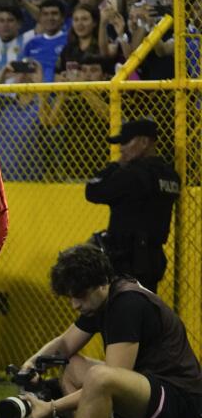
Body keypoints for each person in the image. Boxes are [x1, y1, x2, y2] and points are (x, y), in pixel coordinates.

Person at [19, 244, 202, 418]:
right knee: (72, 367)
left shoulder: (127, 304)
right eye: (70, 297)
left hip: (178, 399)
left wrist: (51, 408)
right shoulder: (104, 299)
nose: (74, 304)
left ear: (102, 283)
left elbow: (109, 380)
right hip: (147, 388)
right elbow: (65, 345)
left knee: (100, 376)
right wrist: (32, 363)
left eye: (79, 295)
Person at [84, 118, 180, 294]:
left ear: (144, 142)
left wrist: (116, 165)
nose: (121, 148)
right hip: (153, 259)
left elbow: (92, 190)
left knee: (121, 313)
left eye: (126, 142)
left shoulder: (133, 175)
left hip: (125, 260)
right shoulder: (170, 174)